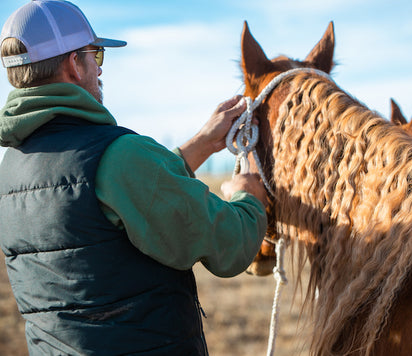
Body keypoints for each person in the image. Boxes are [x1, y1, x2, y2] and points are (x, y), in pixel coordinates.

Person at [0, 1, 268, 355]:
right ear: (73, 65)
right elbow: (228, 246)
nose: (100, 71)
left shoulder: (11, 171)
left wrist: (200, 144)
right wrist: (248, 196)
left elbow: (108, 199)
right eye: (95, 56)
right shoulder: (121, 157)